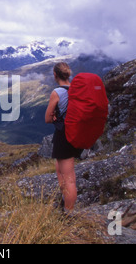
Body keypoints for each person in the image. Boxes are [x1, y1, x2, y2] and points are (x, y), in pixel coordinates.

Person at [45, 62, 83, 214]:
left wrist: (54, 117)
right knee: (60, 170)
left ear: (55, 75)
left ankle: (69, 213)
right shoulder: (77, 89)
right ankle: (65, 202)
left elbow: (47, 118)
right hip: (76, 134)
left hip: (64, 136)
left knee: (69, 178)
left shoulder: (57, 92)